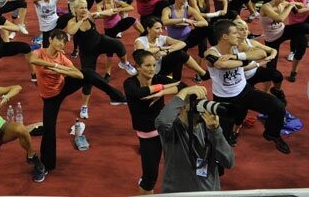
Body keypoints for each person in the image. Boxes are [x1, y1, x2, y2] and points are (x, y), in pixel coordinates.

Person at [30, 29, 120, 174]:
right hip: (49, 98)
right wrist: (55, 66)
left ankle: (115, 96)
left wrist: (61, 70)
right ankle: (47, 165)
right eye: (59, 40)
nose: (61, 43)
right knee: (49, 130)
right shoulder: (39, 53)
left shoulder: (62, 57)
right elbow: (32, 60)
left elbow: (78, 74)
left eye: (64, 41)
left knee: (88, 73)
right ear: (51, 39)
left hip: (63, 87)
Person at [204, 19, 290, 154]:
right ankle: (217, 164)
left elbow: (261, 53)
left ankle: (272, 134)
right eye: (235, 33)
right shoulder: (211, 53)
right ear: (225, 36)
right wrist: (246, 61)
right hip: (225, 99)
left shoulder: (237, 47)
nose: (239, 35)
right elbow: (221, 65)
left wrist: (236, 56)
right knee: (222, 138)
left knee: (278, 107)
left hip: (245, 91)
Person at [123, 50, 185, 195]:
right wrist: (163, 88)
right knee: (149, 178)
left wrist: (162, 93)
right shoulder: (130, 83)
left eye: (154, 65)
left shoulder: (158, 78)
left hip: (168, 130)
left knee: (180, 170)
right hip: (148, 137)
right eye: (147, 65)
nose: (152, 69)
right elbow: (139, 93)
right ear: (138, 67)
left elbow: (183, 85)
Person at [155, 85, 234, 193]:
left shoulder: (209, 128)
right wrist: (184, 92)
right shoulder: (172, 129)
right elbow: (162, 121)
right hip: (177, 193)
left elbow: (228, 162)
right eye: (197, 102)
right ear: (184, 106)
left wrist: (215, 131)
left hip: (208, 193)